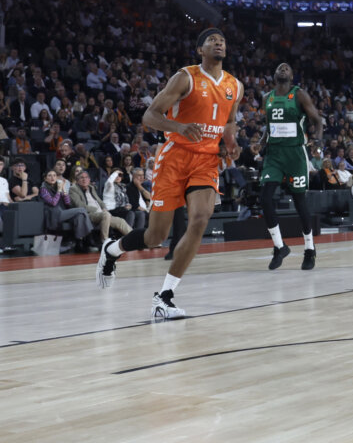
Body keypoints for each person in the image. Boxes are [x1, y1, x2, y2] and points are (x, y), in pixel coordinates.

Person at [95, 28, 244, 320]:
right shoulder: (185, 77)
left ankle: (165, 296)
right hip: (175, 157)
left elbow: (229, 125)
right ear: (200, 49)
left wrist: (231, 145)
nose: (219, 43)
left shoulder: (235, 86)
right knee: (154, 237)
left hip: (206, 160)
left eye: (222, 41)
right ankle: (112, 250)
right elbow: (150, 115)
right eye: (212, 40)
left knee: (200, 219)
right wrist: (179, 127)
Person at [260, 63, 323, 271]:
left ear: (292, 75)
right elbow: (268, 127)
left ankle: (309, 249)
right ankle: (279, 246)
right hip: (274, 154)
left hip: (295, 154)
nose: (284, 68)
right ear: (274, 74)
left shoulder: (299, 95)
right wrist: (260, 142)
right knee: (265, 197)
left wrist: (318, 140)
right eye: (279, 67)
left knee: (299, 202)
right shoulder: (267, 97)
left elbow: (316, 120)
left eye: (287, 68)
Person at [70, 168, 132, 243]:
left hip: (101, 213)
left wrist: (104, 207)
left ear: (89, 179)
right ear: (77, 180)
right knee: (106, 215)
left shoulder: (91, 188)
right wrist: (96, 209)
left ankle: (135, 239)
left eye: (86, 177)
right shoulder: (73, 189)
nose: (84, 179)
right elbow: (79, 205)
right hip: (88, 214)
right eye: (81, 178)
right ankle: (105, 241)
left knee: (120, 221)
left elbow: (100, 201)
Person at [40, 168, 93, 247]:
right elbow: (53, 203)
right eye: (49, 176)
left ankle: (79, 242)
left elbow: (68, 203)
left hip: (63, 212)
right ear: (45, 178)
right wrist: (59, 191)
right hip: (53, 215)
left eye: (54, 175)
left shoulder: (57, 187)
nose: (52, 178)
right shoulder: (43, 189)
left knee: (80, 216)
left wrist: (64, 191)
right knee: (82, 210)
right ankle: (89, 236)